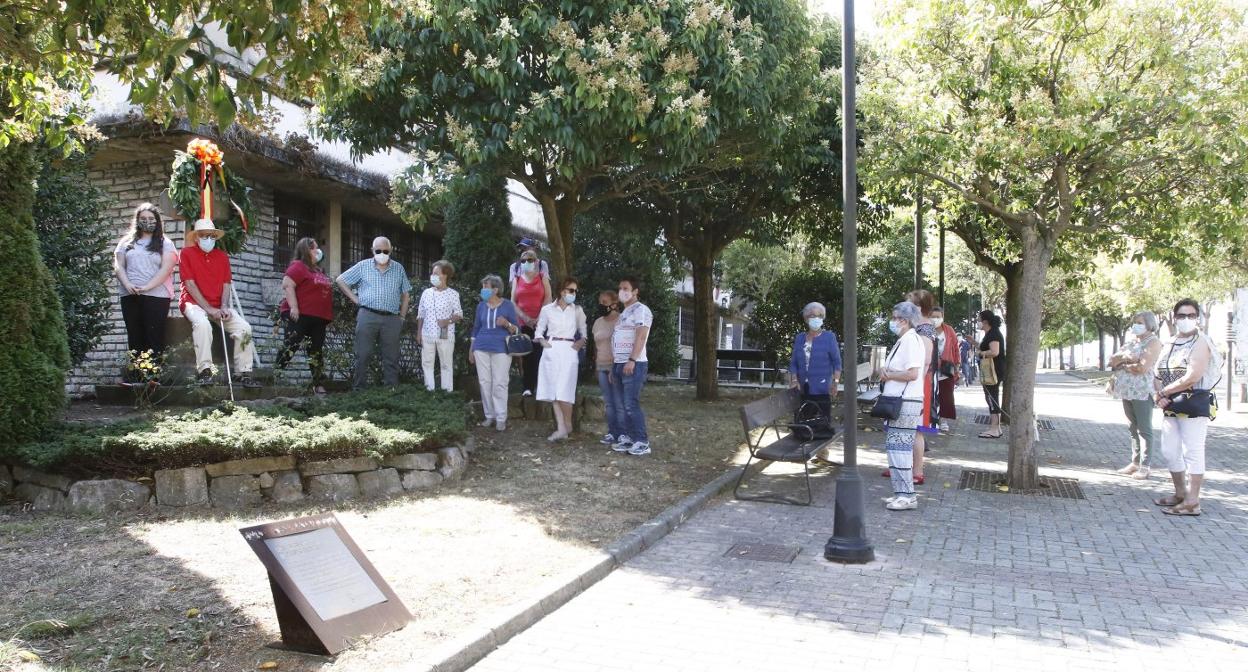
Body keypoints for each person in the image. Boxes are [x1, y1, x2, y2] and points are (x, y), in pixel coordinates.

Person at [1153, 299, 1221, 516]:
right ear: (1175, 318)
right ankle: (1180, 492)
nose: (1186, 320)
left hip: (1193, 403)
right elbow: (1156, 373)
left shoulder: (1201, 342)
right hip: (1170, 404)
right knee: (1169, 450)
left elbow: (1193, 375)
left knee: (1193, 450)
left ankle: (1193, 501)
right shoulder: (1170, 342)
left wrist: (1164, 392)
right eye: (1181, 316)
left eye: (1191, 315)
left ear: (1197, 317)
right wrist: (1159, 394)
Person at [179, 219, 258, 387]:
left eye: (212, 235)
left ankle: (243, 372)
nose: (209, 239)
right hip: (193, 303)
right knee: (202, 324)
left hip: (218, 304)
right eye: (204, 235)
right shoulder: (186, 253)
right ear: (196, 237)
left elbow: (226, 284)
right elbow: (189, 284)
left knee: (244, 328)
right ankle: (205, 371)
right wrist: (208, 308)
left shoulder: (222, 256)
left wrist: (223, 306)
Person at [335, 236, 412, 389]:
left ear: (390, 250)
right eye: (378, 250)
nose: (382, 253)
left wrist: (402, 317)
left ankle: (391, 390)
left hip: (391, 318)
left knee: (391, 357)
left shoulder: (398, 268)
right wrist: (355, 299)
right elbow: (340, 280)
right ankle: (359, 390)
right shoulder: (363, 266)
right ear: (372, 250)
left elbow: (406, 294)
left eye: (385, 250)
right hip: (367, 315)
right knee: (363, 354)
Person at [113, 203, 177, 380]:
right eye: (143, 219)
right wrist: (127, 284)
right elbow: (118, 265)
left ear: (157, 221)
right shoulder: (126, 242)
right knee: (134, 336)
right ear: (137, 220)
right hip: (130, 295)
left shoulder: (166, 243)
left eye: (151, 219)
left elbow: (166, 269)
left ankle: (153, 378)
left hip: (156, 296)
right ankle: (135, 378)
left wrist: (147, 287)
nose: (147, 222)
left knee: (153, 336)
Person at [880, 302, 927, 511]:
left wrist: (889, 375)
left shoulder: (910, 341)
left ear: (904, 320)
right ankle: (901, 492)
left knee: (900, 448)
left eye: (895, 318)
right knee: (895, 447)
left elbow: (912, 373)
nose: (892, 321)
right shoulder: (905, 340)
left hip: (905, 401)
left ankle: (907, 495)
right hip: (900, 400)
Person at [1109, 311, 1163, 479]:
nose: (1136, 325)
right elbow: (1112, 361)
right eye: (1135, 322)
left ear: (1149, 324)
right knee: (1132, 427)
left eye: (1140, 322)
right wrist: (1127, 359)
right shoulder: (1133, 341)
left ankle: (1145, 466)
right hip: (1127, 390)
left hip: (1142, 392)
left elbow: (1142, 368)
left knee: (1144, 428)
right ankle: (1135, 462)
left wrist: (1123, 362)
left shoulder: (1153, 342)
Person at [276, 237, 333, 394]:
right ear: (306, 251)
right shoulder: (299, 266)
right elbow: (287, 284)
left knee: (316, 350)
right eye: (314, 248)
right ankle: (275, 375)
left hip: (317, 318)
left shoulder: (318, 271)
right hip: (299, 314)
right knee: (291, 344)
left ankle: (318, 383)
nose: (318, 251)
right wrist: (294, 307)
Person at [536, 277, 588, 441]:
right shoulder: (547, 310)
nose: (574, 293)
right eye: (571, 290)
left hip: (569, 350)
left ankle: (567, 425)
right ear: (561, 290)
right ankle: (561, 428)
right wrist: (545, 343)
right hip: (552, 350)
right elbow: (539, 331)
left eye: (575, 291)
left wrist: (580, 343)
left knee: (565, 389)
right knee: (553, 391)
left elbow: (583, 331)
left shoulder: (577, 310)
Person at [470, 275, 520, 431]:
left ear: (495, 289)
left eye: (486, 286)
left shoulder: (508, 306)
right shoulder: (481, 306)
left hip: (501, 348)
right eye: (483, 286)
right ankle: (489, 416)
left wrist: (506, 323)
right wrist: (471, 349)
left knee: (499, 383)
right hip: (481, 347)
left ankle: (500, 418)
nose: (483, 289)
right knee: (484, 382)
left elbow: (517, 330)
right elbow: (476, 329)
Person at [610, 276, 653, 456]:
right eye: (620, 288)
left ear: (635, 291)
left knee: (630, 404)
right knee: (622, 403)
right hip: (619, 364)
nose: (622, 291)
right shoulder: (623, 314)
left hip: (634, 364)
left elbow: (641, 336)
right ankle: (628, 437)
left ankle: (642, 441)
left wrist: (632, 360)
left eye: (626, 288)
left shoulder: (641, 310)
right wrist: (615, 366)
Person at [788, 301, 842, 418]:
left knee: (821, 427)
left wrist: (835, 383)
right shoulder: (800, 338)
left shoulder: (829, 337)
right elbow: (793, 364)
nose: (816, 319)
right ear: (806, 319)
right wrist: (794, 380)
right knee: (802, 425)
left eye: (819, 316)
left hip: (822, 390)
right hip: (801, 390)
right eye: (812, 316)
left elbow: (837, 363)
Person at [416, 260, 464, 392]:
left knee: (446, 365)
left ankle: (447, 393)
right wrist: (418, 333)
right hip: (427, 335)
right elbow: (421, 314)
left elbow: (459, 314)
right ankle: (429, 392)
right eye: (432, 273)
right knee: (426, 363)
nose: (432, 275)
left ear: (445, 275)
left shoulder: (453, 294)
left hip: (445, 336)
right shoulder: (426, 293)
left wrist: (447, 321)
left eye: (436, 273)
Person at [510, 247, 552, 396]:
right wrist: (526, 318)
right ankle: (527, 387)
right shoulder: (517, 278)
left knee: (541, 354)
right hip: (524, 322)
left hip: (541, 322)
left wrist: (539, 318)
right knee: (527, 355)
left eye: (530, 259)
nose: (527, 262)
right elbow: (513, 301)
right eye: (523, 260)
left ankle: (542, 387)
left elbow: (548, 297)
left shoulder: (542, 277)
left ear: (536, 261)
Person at [592, 290, 626, 446]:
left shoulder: (621, 321)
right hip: (601, 367)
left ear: (614, 304)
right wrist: (596, 365)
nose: (601, 305)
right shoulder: (598, 322)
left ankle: (623, 434)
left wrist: (616, 367)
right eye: (600, 302)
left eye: (604, 303)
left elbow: (623, 346)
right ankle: (612, 432)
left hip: (616, 367)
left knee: (619, 402)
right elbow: (596, 346)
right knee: (609, 403)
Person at [930, 306, 960, 433]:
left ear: (942, 317)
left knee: (946, 395)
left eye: (938, 316)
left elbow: (955, 348)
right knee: (931, 394)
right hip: (930, 369)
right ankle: (931, 418)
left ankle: (943, 420)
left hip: (946, 368)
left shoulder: (949, 330)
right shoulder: (925, 329)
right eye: (933, 316)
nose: (935, 319)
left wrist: (957, 365)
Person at [978, 310, 1006, 438]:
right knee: (991, 396)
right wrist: (974, 343)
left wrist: (981, 354)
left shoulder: (993, 334)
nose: (978, 322)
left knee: (992, 397)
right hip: (991, 370)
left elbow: (994, 352)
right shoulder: (990, 333)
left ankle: (994, 428)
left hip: (994, 371)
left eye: (979, 319)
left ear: (985, 321)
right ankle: (996, 428)